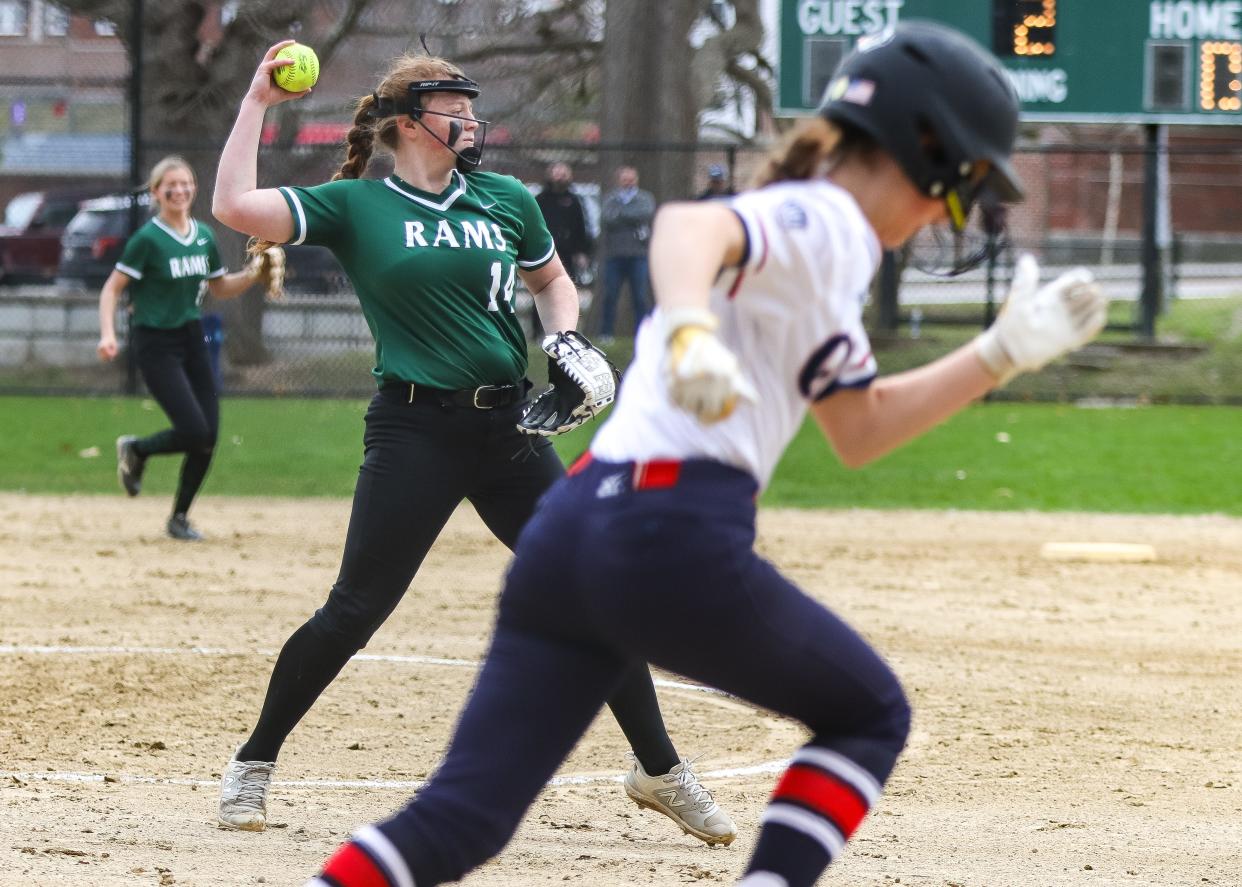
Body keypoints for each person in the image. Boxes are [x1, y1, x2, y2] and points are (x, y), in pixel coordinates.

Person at [305, 22, 1108, 887]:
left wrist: (999, 355)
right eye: (956, 191)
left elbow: (860, 428)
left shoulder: (823, 251)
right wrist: (686, 329)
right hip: (669, 531)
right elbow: (689, 228)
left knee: (463, 818)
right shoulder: (830, 216)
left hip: (573, 530)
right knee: (870, 714)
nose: (942, 216)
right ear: (920, 149)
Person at [209, 42, 735, 845]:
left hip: (510, 428)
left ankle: (659, 770)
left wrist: (565, 341)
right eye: (453, 108)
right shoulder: (359, 205)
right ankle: (254, 759)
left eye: (468, 107)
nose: (469, 119)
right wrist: (256, 102)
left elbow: (554, 282)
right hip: (415, 427)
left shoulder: (504, 198)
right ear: (410, 122)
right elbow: (236, 207)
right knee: (356, 609)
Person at [96, 155, 278, 541]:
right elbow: (112, 289)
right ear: (156, 193)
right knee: (194, 429)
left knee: (208, 434)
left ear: (194, 188)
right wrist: (108, 334)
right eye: (170, 186)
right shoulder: (147, 240)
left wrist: (252, 274)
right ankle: (138, 450)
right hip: (156, 343)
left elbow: (219, 287)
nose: (179, 191)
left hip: (192, 338)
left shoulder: (203, 235)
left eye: (186, 184)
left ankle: (179, 517)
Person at [599, 164, 656, 339]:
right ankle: (606, 334)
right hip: (614, 255)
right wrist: (629, 217)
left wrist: (621, 215)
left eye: (631, 178)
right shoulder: (610, 198)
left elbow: (645, 214)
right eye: (625, 178)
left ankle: (642, 334)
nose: (628, 181)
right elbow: (607, 218)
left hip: (638, 255)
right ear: (619, 180)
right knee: (610, 295)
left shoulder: (645, 198)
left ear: (636, 179)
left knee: (640, 296)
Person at [534, 161, 593, 285]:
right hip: (545, 250)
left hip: (567, 252)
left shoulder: (573, 201)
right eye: (557, 172)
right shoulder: (540, 199)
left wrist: (581, 251)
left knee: (566, 283)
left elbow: (580, 227)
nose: (560, 176)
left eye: (564, 172)